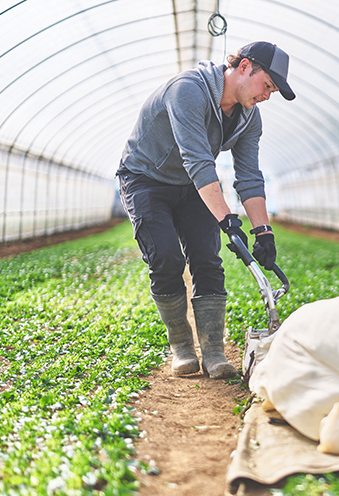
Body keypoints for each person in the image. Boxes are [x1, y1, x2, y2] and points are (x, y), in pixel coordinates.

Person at [117, 41, 296, 378]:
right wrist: (227, 219)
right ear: (244, 67)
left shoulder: (249, 118)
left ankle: (213, 352)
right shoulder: (187, 90)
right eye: (267, 85)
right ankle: (181, 345)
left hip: (191, 186)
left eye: (272, 90)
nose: (267, 96)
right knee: (166, 256)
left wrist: (263, 232)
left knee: (207, 258)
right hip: (145, 179)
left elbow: (249, 176)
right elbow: (197, 159)